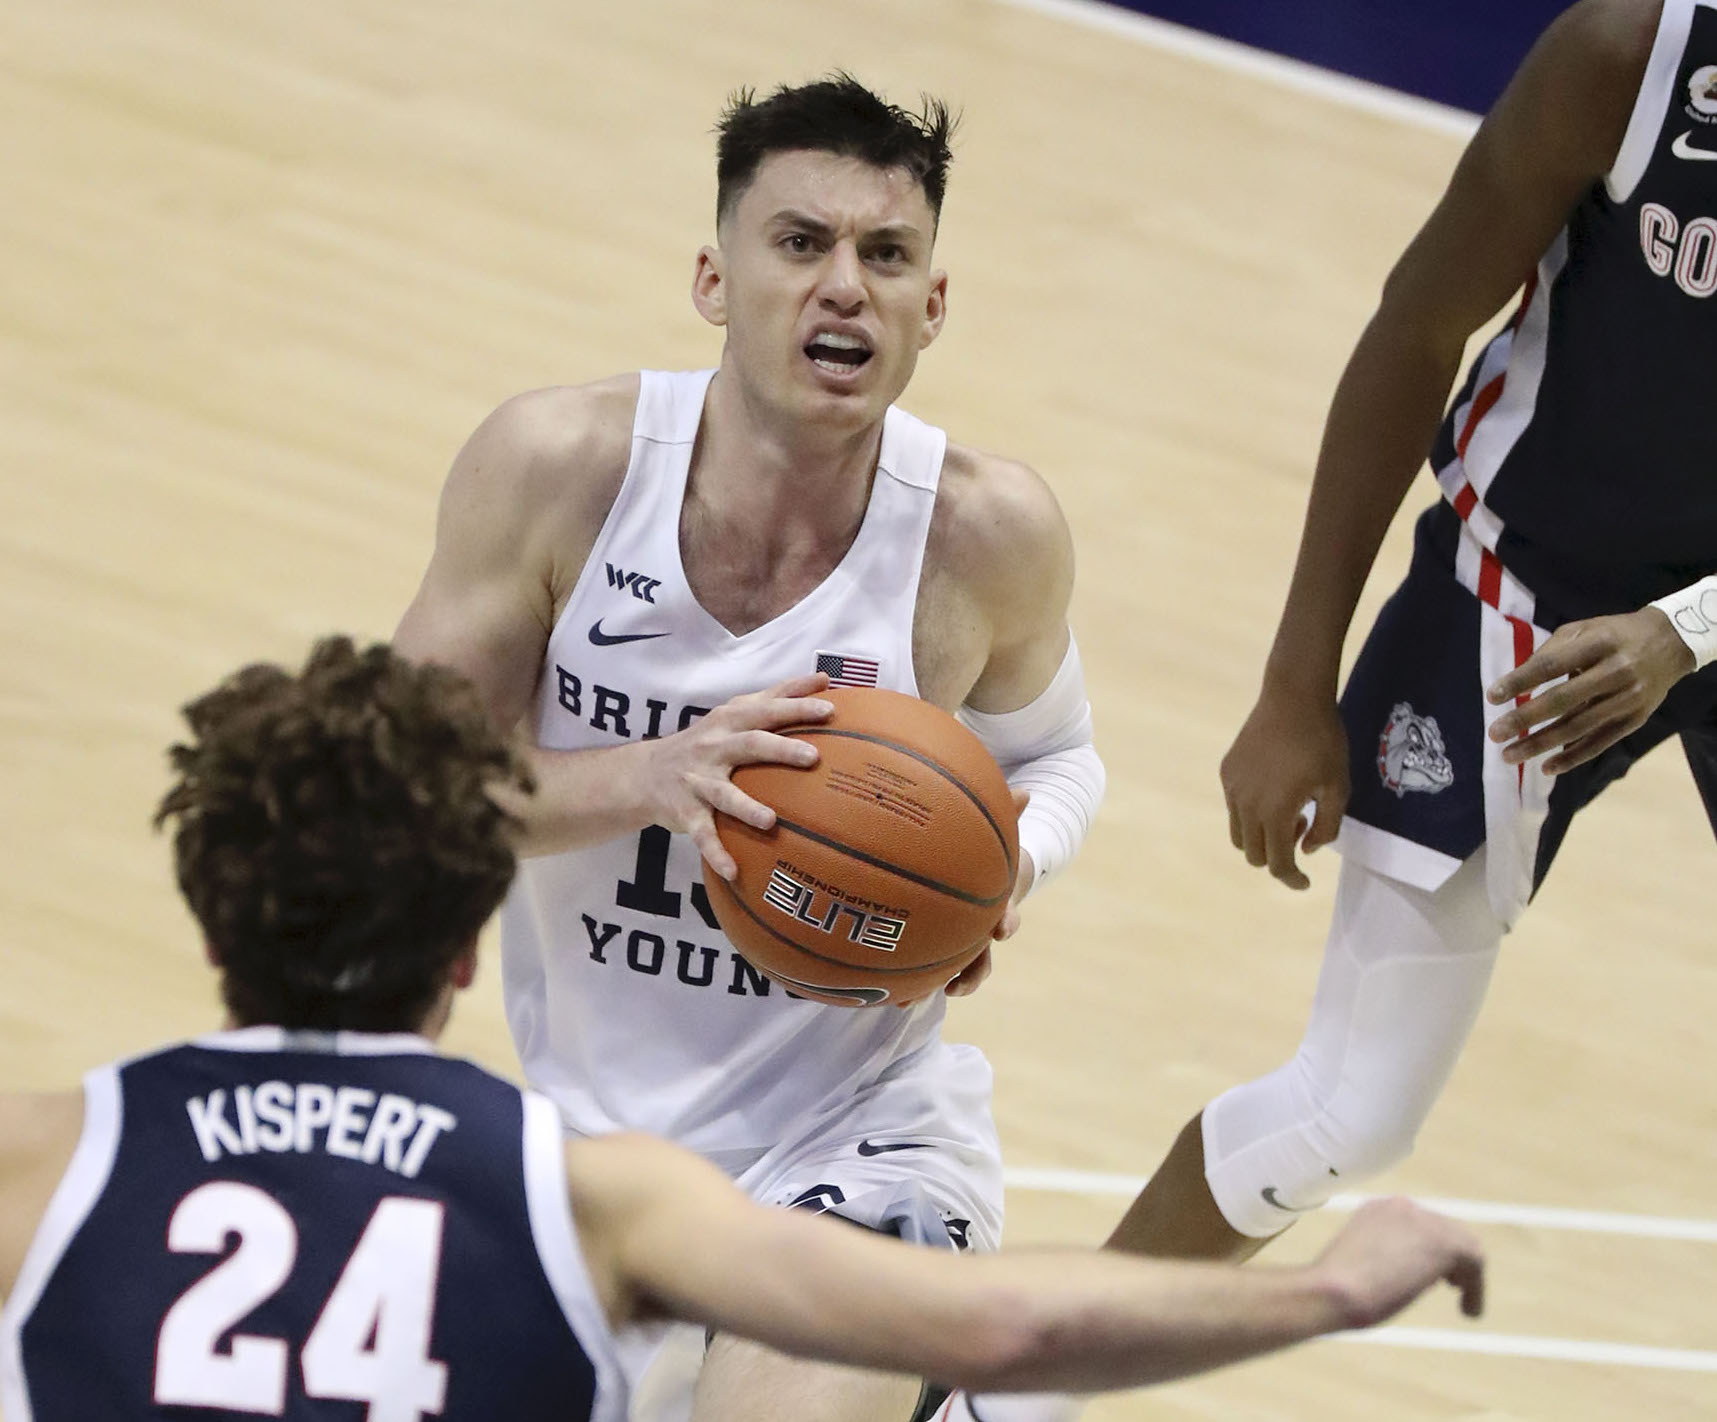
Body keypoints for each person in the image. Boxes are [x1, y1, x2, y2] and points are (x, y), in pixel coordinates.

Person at [0, 638, 1487, 1421]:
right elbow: (1006, 1325)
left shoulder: (45, 1153)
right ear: (466, 949)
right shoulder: (579, 1191)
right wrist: (1332, 1291)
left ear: (207, 928)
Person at [392, 75, 1107, 1422]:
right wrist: (647, 778)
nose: (845, 287)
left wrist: (1009, 865)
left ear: (931, 308)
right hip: (592, 1155)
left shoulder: (986, 533)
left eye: (886, 255)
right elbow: (390, 793)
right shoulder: (558, 468)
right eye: (801, 244)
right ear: (715, 280)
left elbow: (1060, 758)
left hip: (853, 1142)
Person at [1104, 0, 1717, 1267]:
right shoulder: (1628, 53)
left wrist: (1685, 629)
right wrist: (1294, 685)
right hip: (1524, 587)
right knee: (1351, 1109)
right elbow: (1416, 325)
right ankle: (998, 1400)